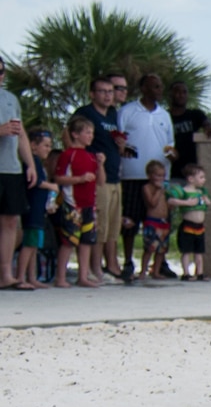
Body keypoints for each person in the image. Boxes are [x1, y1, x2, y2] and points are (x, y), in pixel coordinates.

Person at [118, 74, 176, 278]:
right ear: (143, 88)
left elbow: (170, 143)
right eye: (155, 87)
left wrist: (172, 154)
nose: (159, 90)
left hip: (160, 177)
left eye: (160, 87)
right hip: (133, 174)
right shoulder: (127, 111)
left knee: (160, 221)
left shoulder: (165, 115)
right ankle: (127, 262)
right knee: (131, 220)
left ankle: (159, 263)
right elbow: (119, 139)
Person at [75, 75, 126, 281]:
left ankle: (110, 266)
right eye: (103, 91)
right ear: (92, 94)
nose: (107, 95)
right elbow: (70, 135)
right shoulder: (85, 113)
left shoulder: (113, 114)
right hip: (97, 177)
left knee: (113, 226)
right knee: (99, 225)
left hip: (115, 174)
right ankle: (94, 269)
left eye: (110, 91)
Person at [50, 115, 103, 288]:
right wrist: (79, 179)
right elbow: (58, 178)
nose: (90, 136)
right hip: (73, 204)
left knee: (87, 240)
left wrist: (101, 164)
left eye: (92, 133)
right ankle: (60, 277)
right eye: (87, 133)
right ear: (75, 134)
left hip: (89, 204)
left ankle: (83, 276)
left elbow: (101, 180)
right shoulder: (68, 155)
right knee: (68, 241)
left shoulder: (91, 156)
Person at [0, 52, 32, 289]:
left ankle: (6, 275)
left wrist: (29, 163)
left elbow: (21, 133)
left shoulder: (10, 98)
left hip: (10, 167)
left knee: (11, 221)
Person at [12, 128, 54, 289]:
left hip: (39, 211)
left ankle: (32, 276)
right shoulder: (31, 163)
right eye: (45, 145)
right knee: (29, 244)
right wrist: (52, 186)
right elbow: (35, 182)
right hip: (32, 211)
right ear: (33, 146)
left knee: (34, 245)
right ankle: (21, 276)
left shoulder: (39, 164)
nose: (48, 149)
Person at [168, 164, 209, 281]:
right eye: (201, 177)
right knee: (186, 251)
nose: (204, 180)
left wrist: (207, 200)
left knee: (199, 251)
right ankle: (186, 273)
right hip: (188, 225)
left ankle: (200, 272)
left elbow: (209, 202)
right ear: (191, 179)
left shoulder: (202, 192)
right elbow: (171, 200)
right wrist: (186, 203)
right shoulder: (183, 191)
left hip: (200, 226)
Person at [166, 80, 211, 179]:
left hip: (191, 171)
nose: (181, 95)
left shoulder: (195, 114)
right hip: (170, 171)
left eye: (184, 92)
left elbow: (208, 125)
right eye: (177, 92)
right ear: (170, 94)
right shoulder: (164, 116)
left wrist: (209, 128)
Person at [137, 160, 172, 280]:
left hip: (163, 222)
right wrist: (159, 190)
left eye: (162, 176)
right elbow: (152, 203)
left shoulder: (165, 190)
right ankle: (143, 271)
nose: (160, 178)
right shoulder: (147, 188)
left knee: (161, 249)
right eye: (158, 175)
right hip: (152, 221)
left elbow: (168, 205)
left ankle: (156, 271)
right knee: (149, 248)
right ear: (150, 175)